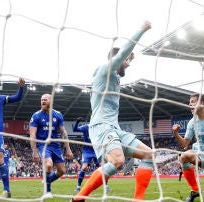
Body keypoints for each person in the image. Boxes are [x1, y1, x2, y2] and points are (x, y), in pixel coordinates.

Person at [72, 21, 153, 202]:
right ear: (117, 59)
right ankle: (78, 198)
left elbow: (124, 60)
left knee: (149, 155)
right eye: (125, 60)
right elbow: (122, 53)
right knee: (117, 161)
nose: (128, 64)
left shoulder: (115, 76)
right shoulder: (104, 70)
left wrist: (129, 60)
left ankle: (138, 200)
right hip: (101, 126)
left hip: (114, 129)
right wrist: (142, 30)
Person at [29, 93, 74, 195]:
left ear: (51, 101)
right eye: (42, 100)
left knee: (62, 171)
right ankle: (48, 191)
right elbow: (32, 135)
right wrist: (34, 152)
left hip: (56, 145)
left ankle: (47, 181)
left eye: (45, 99)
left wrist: (68, 149)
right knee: (48, 164)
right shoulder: (36, 116)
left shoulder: (58, 115)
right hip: (43, 144)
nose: (43, 101)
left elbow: (63, 133)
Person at [72, 117, 111, 192]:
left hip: (97, 150)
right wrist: (77, 122)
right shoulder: (86, 127)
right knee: (84, 167)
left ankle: (106, 186)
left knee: (103, 167)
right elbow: (74, 129)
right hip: (87, 151)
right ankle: (78, 186)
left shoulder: (99, 128)